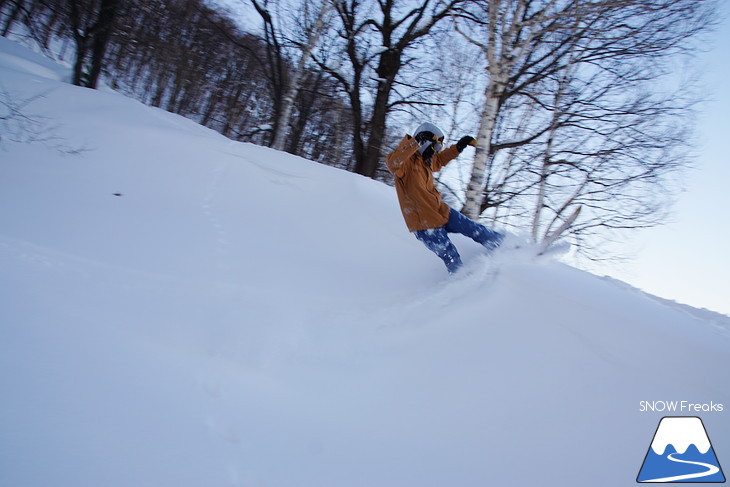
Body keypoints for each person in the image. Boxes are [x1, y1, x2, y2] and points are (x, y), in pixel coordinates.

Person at [385, 122, 504, 274]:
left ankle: (504, 245)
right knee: (450, 255)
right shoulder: (406, 164)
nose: (436, 151)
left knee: (475, 229)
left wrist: (458, 147)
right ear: (424, 142)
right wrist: (415, 142)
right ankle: (461, 282)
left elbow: (440, 161)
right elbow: (392, 163)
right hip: (424, 224)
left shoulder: (425, 162)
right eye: (436, 147)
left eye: (439, 148)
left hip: (440, 211)